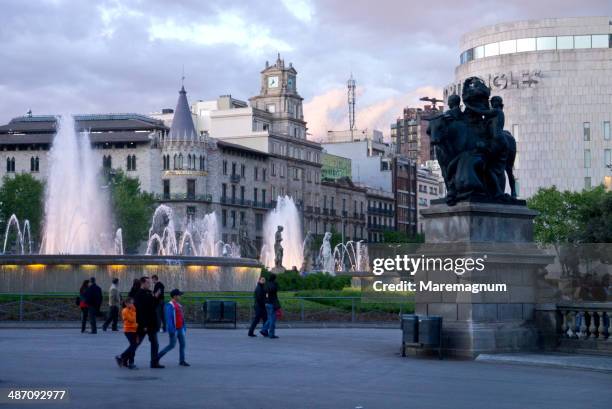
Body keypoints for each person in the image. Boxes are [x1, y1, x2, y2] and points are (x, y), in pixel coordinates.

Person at [134, 276, 164, 368]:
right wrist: (143, 324)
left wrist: (156, 297)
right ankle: (124, 357)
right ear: (142, 283)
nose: (150, 284)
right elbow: (141, 310)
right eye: (148, 282)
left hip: (151, 323)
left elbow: (153, 305)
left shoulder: (149, 292)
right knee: (136, 343)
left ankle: (154, 363)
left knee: (155, 343)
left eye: (150, 282)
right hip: (144, 323)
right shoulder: (139, 294)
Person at [157, 289, 190, 367]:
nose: (180, 296)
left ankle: (182, 361)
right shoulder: (170, 305)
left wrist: (183, 327)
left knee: (182, 344)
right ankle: (157, 357)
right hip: (175, 330)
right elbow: (169, 319)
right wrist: (172, 330)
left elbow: (181, 317)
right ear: (175, 296)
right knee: (171, 345)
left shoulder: (178, 305)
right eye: (179, 295)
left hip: (180, 328)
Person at [115, 297, 139, 369]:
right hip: (128, 330)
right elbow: (132, 319)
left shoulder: (132, 309)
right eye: (130, 303)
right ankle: (125, 359)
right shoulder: (125, 311)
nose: (132, 304)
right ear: (126, 304)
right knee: (133, 346)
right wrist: (134, 313)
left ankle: (125, 360)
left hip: (134, 330)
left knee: (133, 346)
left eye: (132, 303)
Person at [261, 273, 280, 339]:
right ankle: (271, 334)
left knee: (269, 318)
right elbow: (274, 292)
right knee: (272, 319)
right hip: (272, 303)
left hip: (266, 303)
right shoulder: (274, 285)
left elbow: (265, 293)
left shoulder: (266, 284)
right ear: (274, 278)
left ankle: (263, 330)